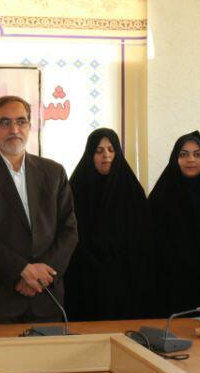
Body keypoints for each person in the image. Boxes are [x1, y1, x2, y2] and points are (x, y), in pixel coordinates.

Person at [0, 95, 78, 324]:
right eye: (5, 122)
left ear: (30, 126)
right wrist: (20, 271)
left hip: (47, 299)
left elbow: (69, 231)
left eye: (21, 121)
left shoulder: (54, 172)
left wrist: (42, 276)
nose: (14, 129)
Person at [64, 128, 154, 321]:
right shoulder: (74, 190)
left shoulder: (132, 192)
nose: (106, 155)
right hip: (85, 279)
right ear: (90, 155)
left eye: (111, 150)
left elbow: (144, 240)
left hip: (125, 281)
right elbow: (67, 235)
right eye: (99, 151)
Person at [148, 131, 200, 315]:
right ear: (175, 159)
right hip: (172, 286)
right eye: (183, 154)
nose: (191, 159)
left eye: (198, 154)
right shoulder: (161, 197)